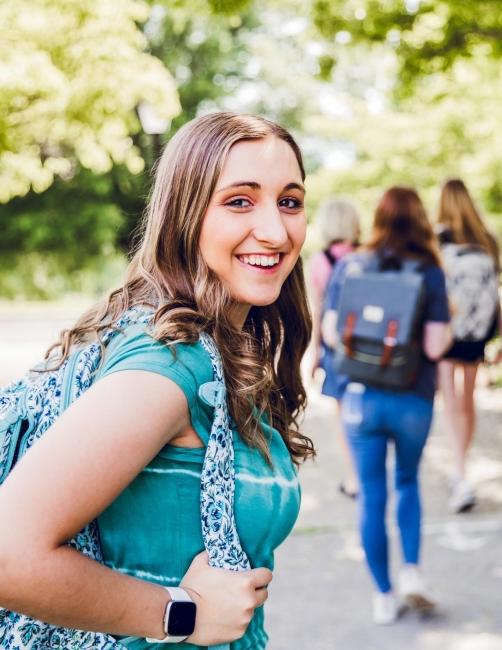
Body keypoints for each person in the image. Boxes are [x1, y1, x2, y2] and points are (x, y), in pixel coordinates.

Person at [0, 112, 315, 649]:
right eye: (240, 201)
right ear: (185, 215)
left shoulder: (221, 350)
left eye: (289, 201)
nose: (276, 230)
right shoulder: (171, 366)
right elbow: (7, 552)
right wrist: (182, 615)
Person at [322, 187, 452, 625]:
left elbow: (332, 333)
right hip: (413, 398)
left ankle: (383, 594)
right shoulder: (430, 271)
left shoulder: (349, 265)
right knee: (408, 482)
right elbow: (436, 346)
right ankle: (412, 571)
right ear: (420, 219)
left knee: (371, 496)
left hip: (362, 398)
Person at [436, 178, 501, 513]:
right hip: (477, 331)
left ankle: (459, 472)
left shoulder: (439, 238)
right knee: (468, 399)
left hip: (449, 331)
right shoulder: (486, 238)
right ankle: (464, 466)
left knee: (450, 400)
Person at [308, 197, 360, 498]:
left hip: (336, 348)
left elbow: (316, 312)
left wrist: (314, 353)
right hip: (368, 348)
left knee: (341, 415)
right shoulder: (368, 256)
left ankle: (354, 477)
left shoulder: (320, 261)